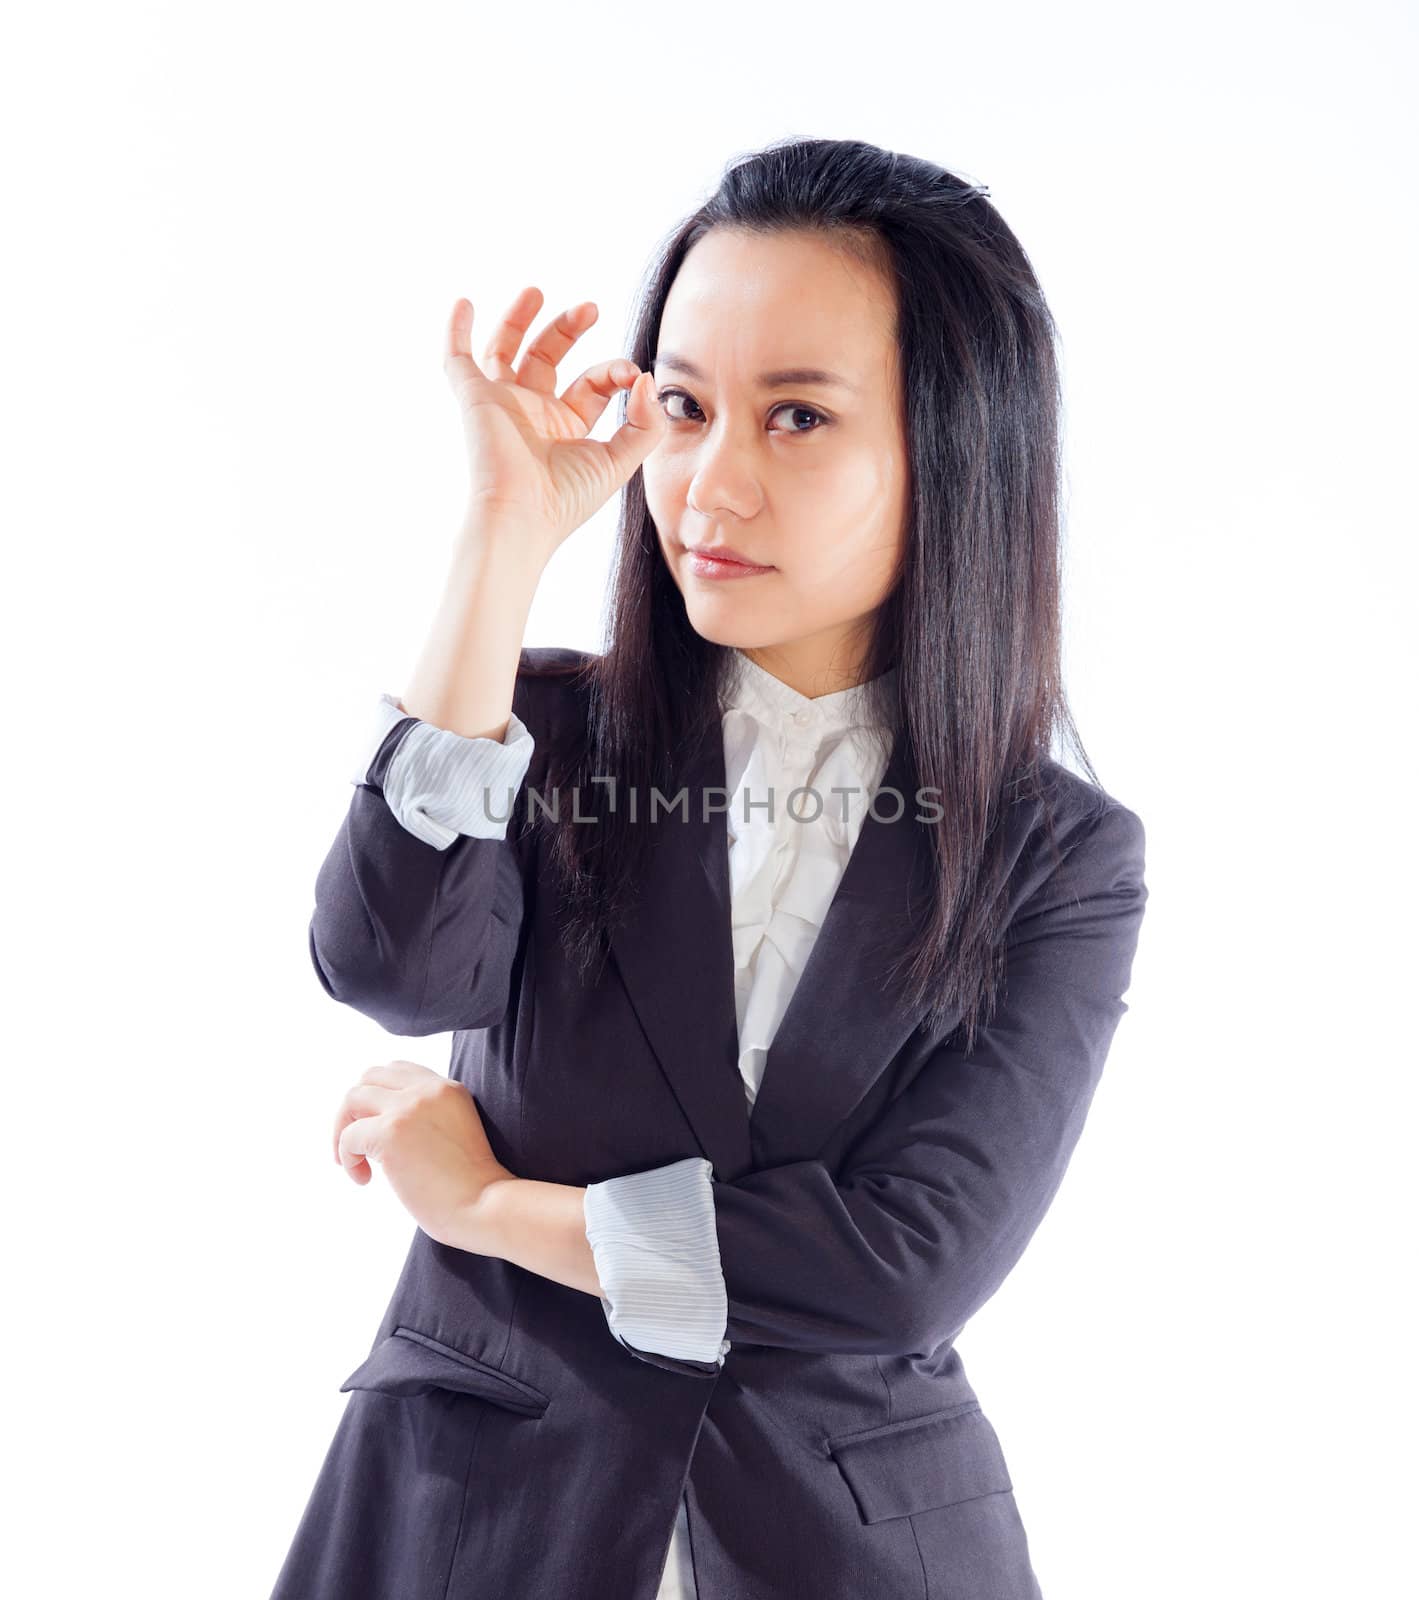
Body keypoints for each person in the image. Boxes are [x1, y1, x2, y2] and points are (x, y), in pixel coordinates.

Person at [270, 136, 1149, 1600]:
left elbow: (896, 1266)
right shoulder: (525, 730)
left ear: (956, 446)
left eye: (797, 418)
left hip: (854, 1551)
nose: (708, 485)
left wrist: (489, 1210)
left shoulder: (1057, 857)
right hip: (477, 1521)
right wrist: (502, 538)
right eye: (683, 404)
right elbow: (388, 965)